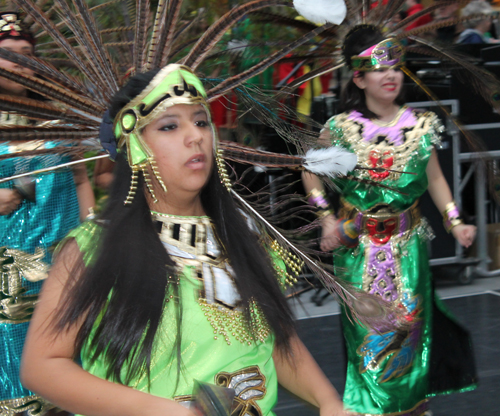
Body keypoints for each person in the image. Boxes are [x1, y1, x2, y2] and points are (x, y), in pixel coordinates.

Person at [20, 65, 347, 416]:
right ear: (134, 145)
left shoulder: (247, 237)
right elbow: (43, 367)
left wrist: (330, 404)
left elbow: (276, 340)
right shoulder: (93, 247)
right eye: (170, 126)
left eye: (201, 121)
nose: (195, 136)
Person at [302, 26, 477, 416]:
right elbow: (310, 170)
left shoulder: (420, 126)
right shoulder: (342, 128)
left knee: (411, 329)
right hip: (358, 249)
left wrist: (455, 222)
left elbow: (434, 178)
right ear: (359, 78)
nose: (391, 76)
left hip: (408, 246)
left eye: (396, 68)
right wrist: (327, 220)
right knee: (370, 334)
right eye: (379, 70)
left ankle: (413, 407)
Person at [0, 11, 94, 415]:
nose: (20, 62)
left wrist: (95, 237)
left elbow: (79, 181)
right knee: (19, 375)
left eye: (27, 54)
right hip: (10, 276)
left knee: (74, 353)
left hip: (67, 261)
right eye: (8, 54)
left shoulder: (59, 119)